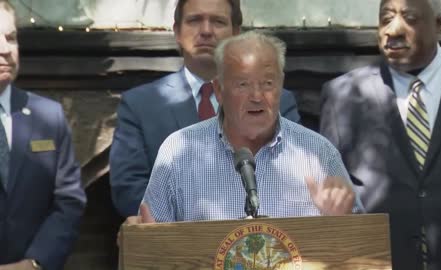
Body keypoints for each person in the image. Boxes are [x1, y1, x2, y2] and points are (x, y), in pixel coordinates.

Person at [319, 0, 441, 269]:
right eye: (386, 18)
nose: (393, 30)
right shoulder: (342, 96)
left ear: (439, 25)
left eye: (409, 18)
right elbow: (333, 192)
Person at [139, 31, 363, 223]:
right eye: (243, 84)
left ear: (280, 85)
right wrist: (139, 236)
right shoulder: (177, 152)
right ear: (218, 90)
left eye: (267, 83)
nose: (257, 96)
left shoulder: (318, 153)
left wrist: (338, 224)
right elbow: (151, 240)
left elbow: (362, 247)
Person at [109, 0, 300, 219]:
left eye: (218, 21)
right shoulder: (140, 105)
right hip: (176, 244)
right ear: (177, 32)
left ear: (236, 33)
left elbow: (294, 175)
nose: (206, 31)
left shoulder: (277, 102)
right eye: (194, 20)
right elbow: (129, 189)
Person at [0, 1, 86, 270]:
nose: (5, 50)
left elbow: (68, 201)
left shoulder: (49, 116)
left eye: (11, 38)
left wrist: (35, 263)